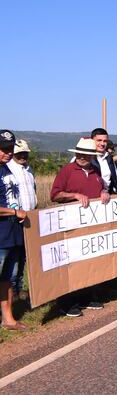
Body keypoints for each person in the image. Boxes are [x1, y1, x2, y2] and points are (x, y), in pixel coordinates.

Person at [50, 138, 111, 316]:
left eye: (87, 154)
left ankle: (86, 296)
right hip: (71, 225)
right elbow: (55, 194)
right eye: (80, 154)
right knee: (72, 264)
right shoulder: (67, 170)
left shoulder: (95, 170)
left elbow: (101, 187)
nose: (82, 157)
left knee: (90, 262)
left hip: (91, 225)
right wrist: (74, 195)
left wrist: (103, 192)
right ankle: (67, 302)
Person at [0, 130, 28, 330]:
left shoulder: (7, 170)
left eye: (10, 149)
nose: (7, 153)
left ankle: (8, 319)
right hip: (0, 235)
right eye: (3, 149)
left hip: (12, 234)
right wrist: (14, 212)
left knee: (7, 279)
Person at [7, 139, 36, 300]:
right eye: (19, 153)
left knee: (24, 257)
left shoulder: (29, 169)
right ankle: (12, 292)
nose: (22, 156)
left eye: (25, 153)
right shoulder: (8, 169)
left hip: (29, 218)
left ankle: (18, 289)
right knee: (13, 258)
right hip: (14, 219)